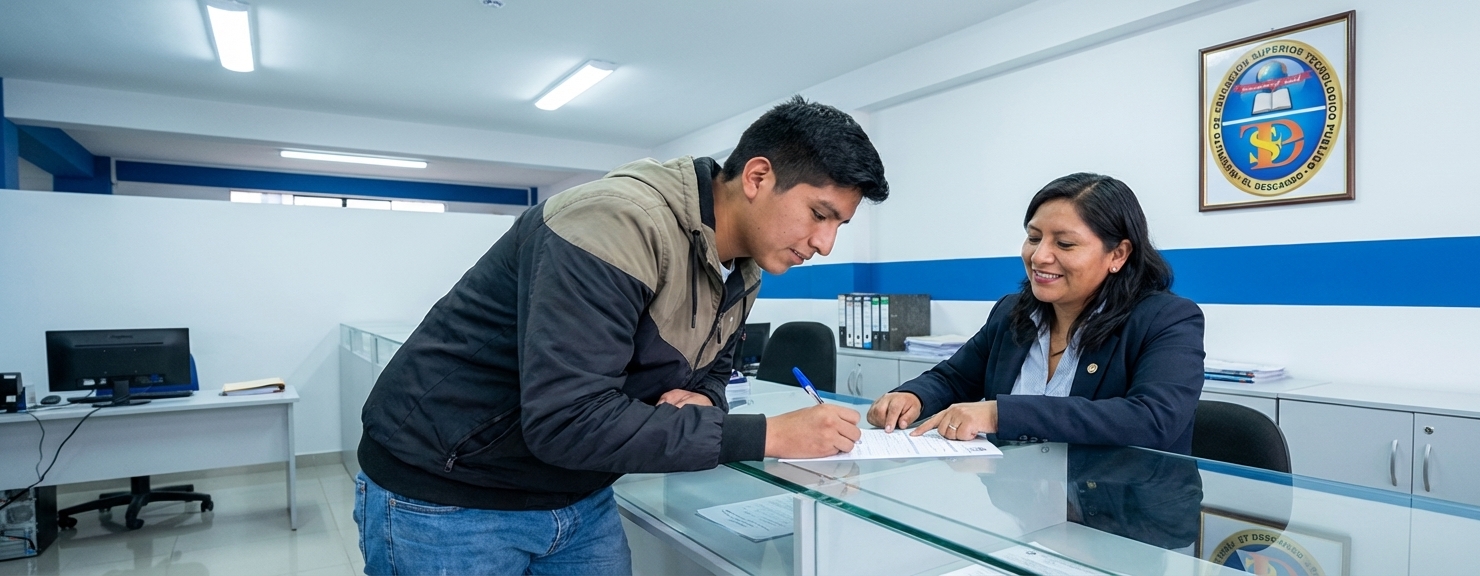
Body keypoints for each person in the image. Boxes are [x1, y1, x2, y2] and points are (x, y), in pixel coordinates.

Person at [355, 96, 886, 575]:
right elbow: (566, 419)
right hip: (452, 494)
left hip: (577, 490)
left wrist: (701, 396)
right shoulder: (613, 223)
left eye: (838, 225)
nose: (825, 244)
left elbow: (715, 371)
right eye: (820, 215)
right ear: (757, 177)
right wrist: (767, 436)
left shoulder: (743, 268)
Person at [868, 173, 1203, 453]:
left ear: (1117, 253)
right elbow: (955, 378)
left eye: (1065, 244)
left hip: (1124, 516)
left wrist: (1001, 415)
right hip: (1024, 505)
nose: (1039, 256)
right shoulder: (1013, 311)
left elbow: (1153, 419)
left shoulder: (1168, 319)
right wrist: (912, 396)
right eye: (1033, 237)